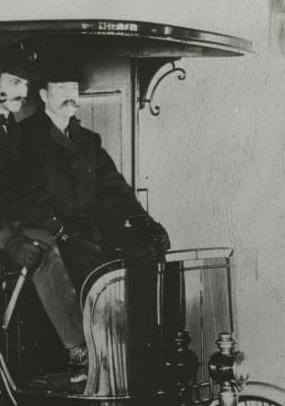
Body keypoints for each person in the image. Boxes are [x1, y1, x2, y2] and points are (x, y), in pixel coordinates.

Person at [16, 55, 171, 293]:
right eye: (60, 88)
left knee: (148, 246)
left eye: (73, 88)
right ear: (44, 95)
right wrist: (60, 230)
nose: (70, 95)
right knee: (89, 263)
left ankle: (147, 317)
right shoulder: (25, 137)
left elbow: (114, 188)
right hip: (55, 233)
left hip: (93, 229)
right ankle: (102, 317)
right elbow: (25, 198)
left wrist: (142, 221)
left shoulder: (87, 140)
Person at [0, 47, 89, 385]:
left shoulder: (11, 127)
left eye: (26, 84)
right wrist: (8, 241)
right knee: (43, 251)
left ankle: (90, 347)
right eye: (14, 82)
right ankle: (78, 350)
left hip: (12, 221)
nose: (22, 91)